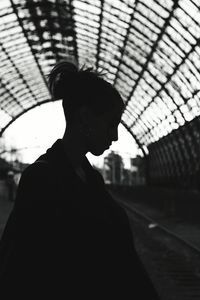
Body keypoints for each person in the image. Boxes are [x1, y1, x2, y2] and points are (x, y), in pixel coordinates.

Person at [0, 60, 159, 299]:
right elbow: (26, 270)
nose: (114, 136)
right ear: (85, 118)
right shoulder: (42, 179)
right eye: (111, 124)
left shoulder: (90, 177)